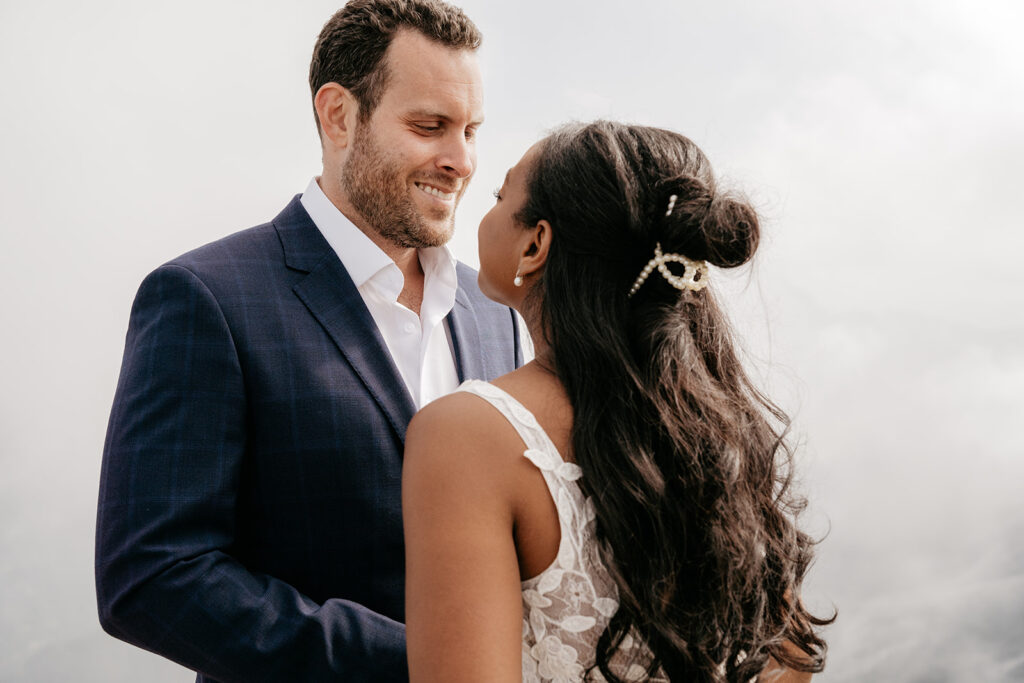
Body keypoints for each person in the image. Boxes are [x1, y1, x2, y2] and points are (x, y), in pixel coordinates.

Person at [95, 2, 522, 681]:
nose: (461, 160)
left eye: (471, 130)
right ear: (338, 116)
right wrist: (427, 663)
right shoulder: (205, 297)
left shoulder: (495, 312)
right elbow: (151, 575)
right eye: (429, 126)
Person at [403, 121, 832, 682]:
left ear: (535, 244)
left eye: (500, 195)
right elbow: (789, 664)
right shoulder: (729, 436)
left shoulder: (467, 434)